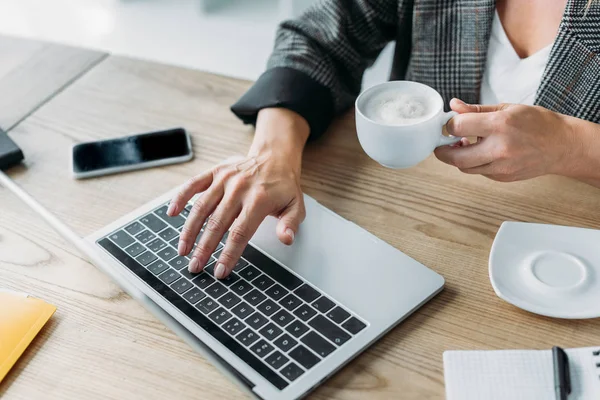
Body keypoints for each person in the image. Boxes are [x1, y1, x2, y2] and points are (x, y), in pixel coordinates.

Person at [167, 0, 600, 279]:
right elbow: (321, 36)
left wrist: (571, 145)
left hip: (565, 262)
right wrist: (270, 155)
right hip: (415, 236)